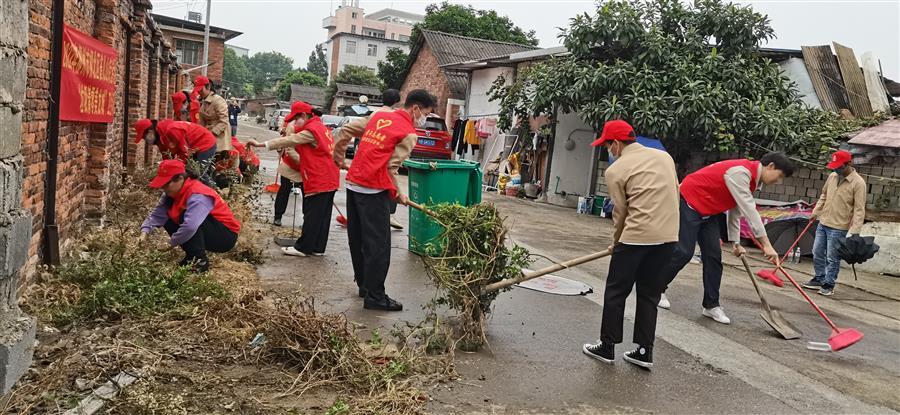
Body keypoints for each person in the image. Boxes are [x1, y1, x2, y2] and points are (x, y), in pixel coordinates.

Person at [582, 120, 679, 369]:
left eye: (607, 145)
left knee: (616, 291)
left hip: (636, 236)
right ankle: (644, 352)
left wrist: (617, 242)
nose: (608, 151)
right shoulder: (664, 157)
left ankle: (607, 346)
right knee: (649, 294)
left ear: (616, 143)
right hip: (668, 237)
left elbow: (621, 212)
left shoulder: (616, 170)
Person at [658, 152, 795, 324]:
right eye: (780, 176)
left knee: (714, 257)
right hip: (690, 202)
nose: (778, 181)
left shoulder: (752, 182)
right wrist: (766, 244)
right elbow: (749, 210)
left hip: (709, 211)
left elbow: (735, 211)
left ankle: (711, 305)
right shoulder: (741, 173)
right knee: (684, 252)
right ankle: (656, 289)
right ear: (771, 166)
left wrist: (735, 242)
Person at [332, 89, 436, 312]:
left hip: (353, 183)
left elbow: (344, 132)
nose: (424, 120)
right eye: (426, 114)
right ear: (416, 109)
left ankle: (364, 286)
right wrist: (399, 193)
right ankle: (376, 296)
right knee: (378, 246)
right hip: (374, 189)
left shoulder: (378, 115)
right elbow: (391, 168)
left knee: (358, 240)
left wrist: (338, 159)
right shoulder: (408, 133)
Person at [247, 101, 340, 256]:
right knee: (322, 216)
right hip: (330, 177)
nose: (294, 122)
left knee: (312, 214)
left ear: (304, 115)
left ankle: (303, 248)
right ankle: (317, 247)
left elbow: (289, 140)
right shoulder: (322, 128)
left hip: (320, 178)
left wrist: (260, 144)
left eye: (295, 119)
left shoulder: (311, 131)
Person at [140, 159, 241, 273]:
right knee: (169, 216)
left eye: (166, 184)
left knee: (185, 216)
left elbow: (190, 226)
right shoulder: (171, 194)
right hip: (207, 229)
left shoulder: (198, 195)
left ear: (180, 178)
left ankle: (200, 261)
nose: (163, 188)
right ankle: (191, 256)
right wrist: (144, 232)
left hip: (225, 236)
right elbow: (157, 214)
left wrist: (171, 243)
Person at [803, 150, 866, 296]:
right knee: (817, 252)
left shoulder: (858, 183)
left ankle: (829, 284)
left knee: (832, 258)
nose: (836, 169)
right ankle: (819, 278)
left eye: (839, 166)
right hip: (823, 222)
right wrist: (815, 212)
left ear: (849, 164)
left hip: (838, 228)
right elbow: (824, 195)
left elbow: (859, 209)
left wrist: (855, 231)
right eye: (834, 166)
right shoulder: (832, 176)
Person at [134, 119, 217, 183]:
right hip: (193, 148)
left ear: (150, 131)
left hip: (205, 143)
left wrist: (175, 169)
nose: (145, 140)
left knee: (198, 174)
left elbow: (185, 153)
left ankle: (214, 197)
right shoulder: (159, 137)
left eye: (144, 137)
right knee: (190, 173)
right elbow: (167, 157)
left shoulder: (171, 130)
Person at [378, 89, 406, 231]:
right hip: (387, 156)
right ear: (396, 102)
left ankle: (383, 214)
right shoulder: (395, 117)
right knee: (390, 184)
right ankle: (388, 215)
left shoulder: (374, 114)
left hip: (373, 156)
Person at [272, 120, 303, 227]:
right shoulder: (291, 124)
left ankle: (308, 220)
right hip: (290, 165)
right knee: (284, 190)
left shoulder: (312, 127)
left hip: (306, 167)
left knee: (308, 195)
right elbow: (286, 142)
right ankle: (278, 217)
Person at [194, 76, 232, 153]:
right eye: (198, 90)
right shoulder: (202, 101)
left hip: (219, 136)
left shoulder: (218, 100)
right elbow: (201, 121)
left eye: (201, 90)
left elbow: (224, 121)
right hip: (208, 134)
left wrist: (211, 133)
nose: (199, 92)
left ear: (208, 87)